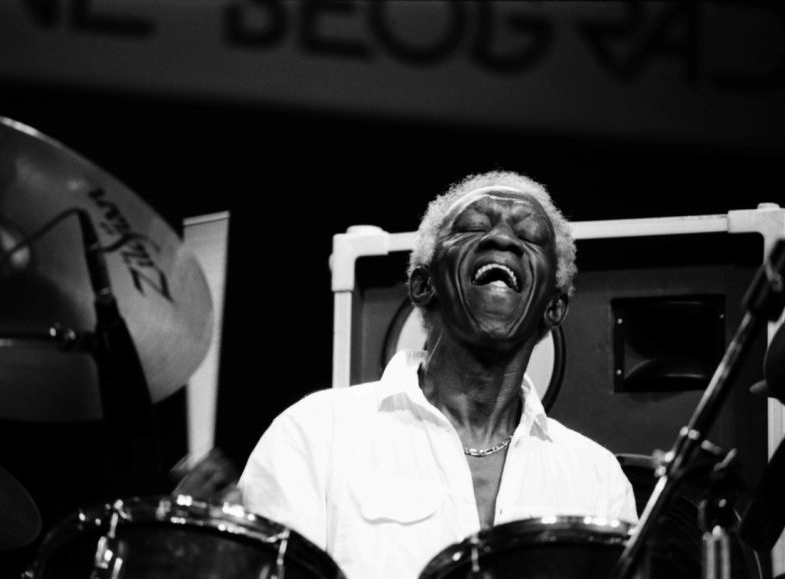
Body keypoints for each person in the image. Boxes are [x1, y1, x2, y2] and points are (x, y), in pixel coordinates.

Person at [178, 169, 638, 579]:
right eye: (474, 227)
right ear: (423, 284)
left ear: (554, 308)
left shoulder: (597, 480)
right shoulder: (313, 437)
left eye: (530, 236)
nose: (502, 239)